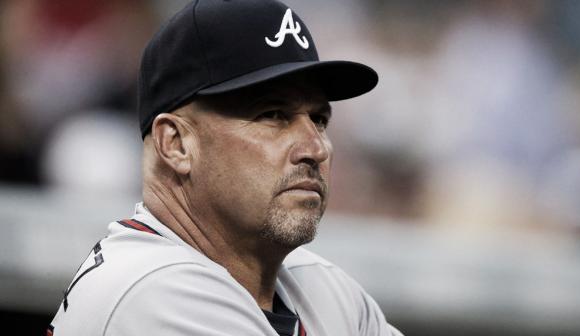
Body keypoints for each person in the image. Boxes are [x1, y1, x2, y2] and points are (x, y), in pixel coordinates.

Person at [48, 0, 402, 335]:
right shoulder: (155, 291)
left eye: (319, 119)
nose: (316, 148)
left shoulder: (322, 287)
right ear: (175, 143)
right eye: (272, 115)